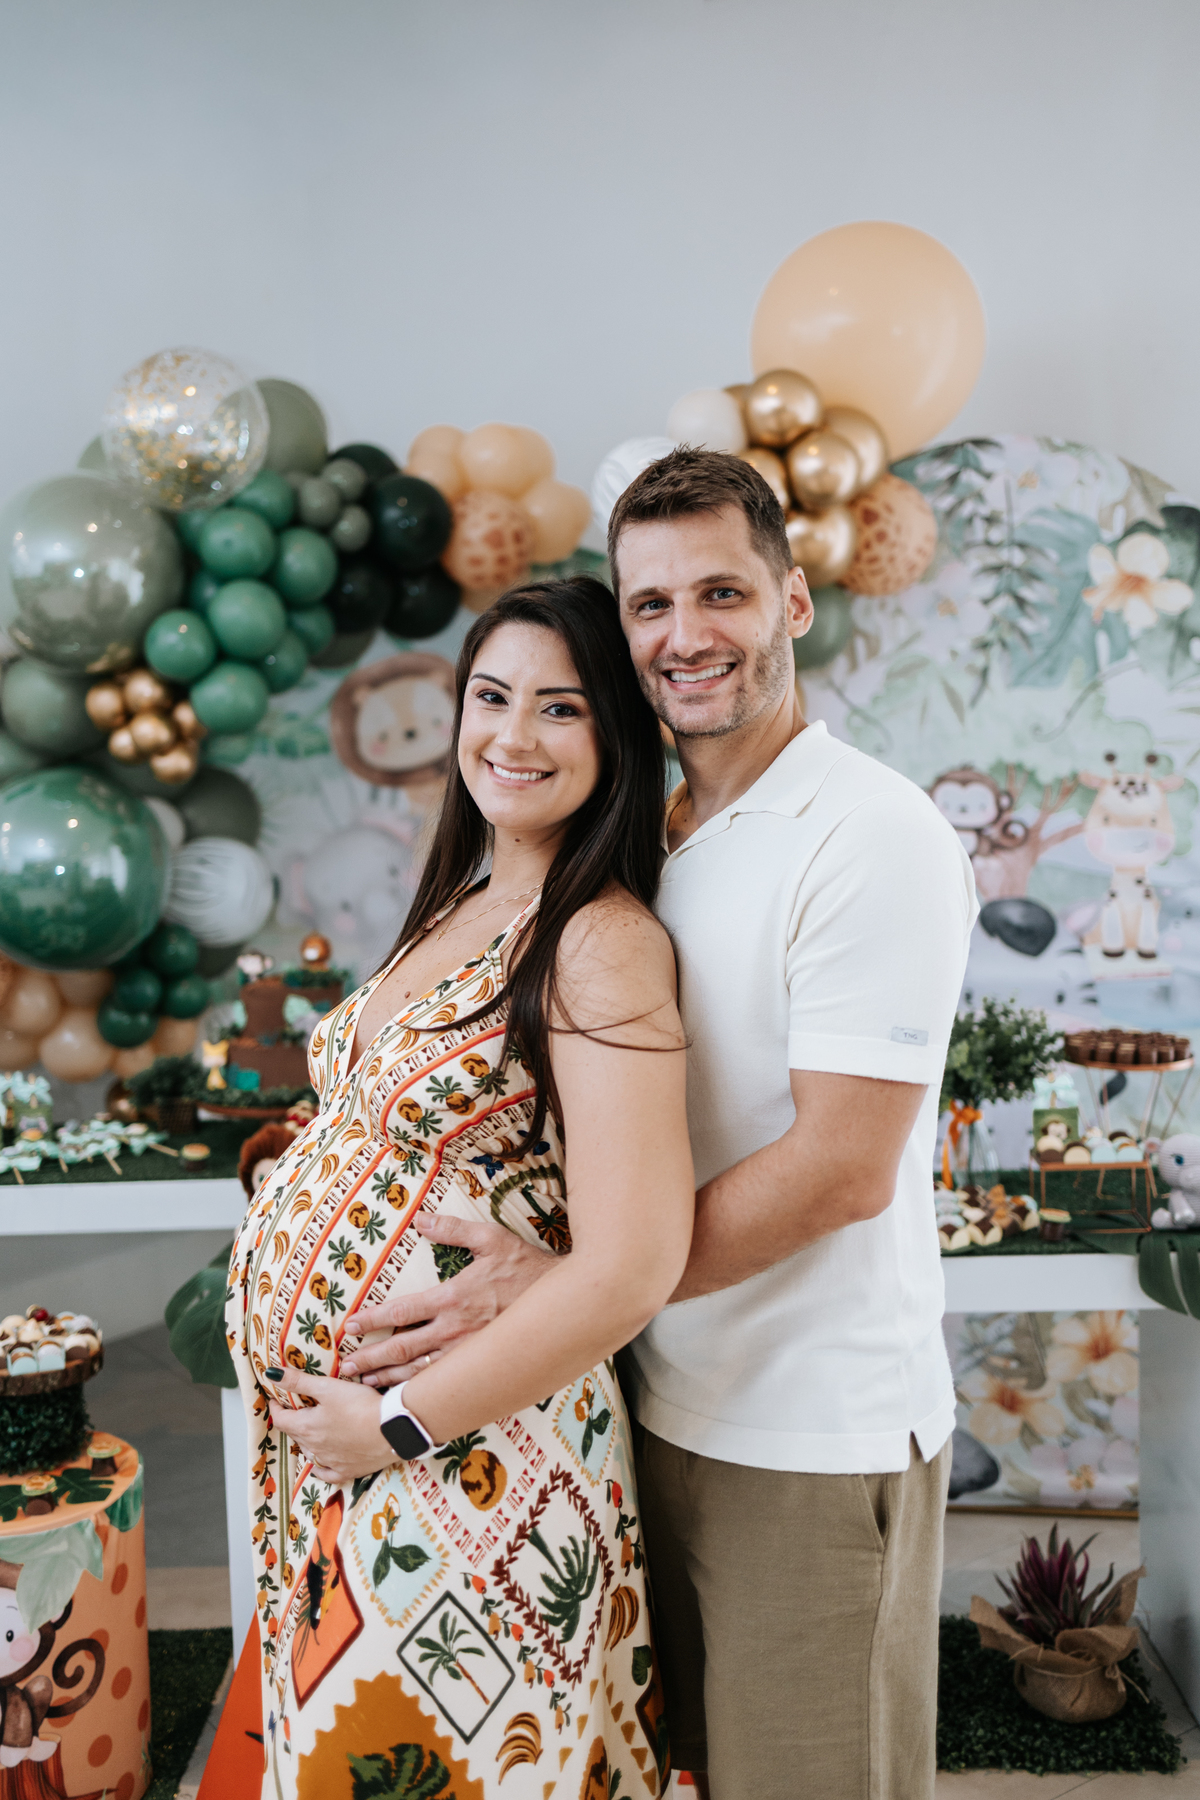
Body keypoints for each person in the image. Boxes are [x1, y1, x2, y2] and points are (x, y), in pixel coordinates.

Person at [346, 449, 977, 1800]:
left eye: (722, 594)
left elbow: (842, 1170)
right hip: (651, 1407)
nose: (685, 636)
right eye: (649, 606)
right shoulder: (662, 833)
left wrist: (576, 1281)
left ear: (795, 603)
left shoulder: (870, 834)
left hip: (808, 1434)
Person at [226, 577, 693, 1800]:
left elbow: (634, 1261)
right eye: (491, 697)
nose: (511, 736)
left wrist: (395, 1423)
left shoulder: (600, 938)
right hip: (348, 1458)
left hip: (472, 1459)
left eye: (561, 709)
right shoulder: (466, 897)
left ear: (618, 739)